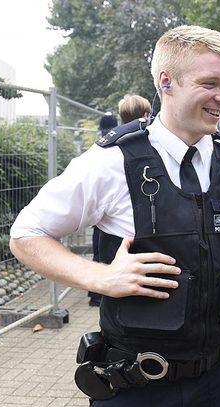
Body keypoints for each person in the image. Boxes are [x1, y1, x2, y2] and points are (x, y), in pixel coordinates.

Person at [10, 25, 220, 407]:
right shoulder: (111, 162)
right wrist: (100, 277)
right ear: (166, 82)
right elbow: (26, 234)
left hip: (218, 379)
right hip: (135, 386)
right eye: (210, 83)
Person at [88, 113, 119, 307]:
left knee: (98, 253)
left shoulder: (97, 148)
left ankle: (95, 294)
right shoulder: (116, 147)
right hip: (109, 213)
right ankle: (98, 294)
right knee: (105, 254)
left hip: (98, 213)